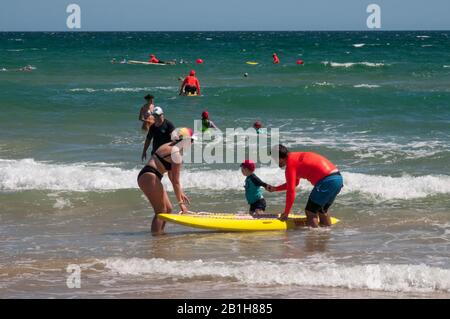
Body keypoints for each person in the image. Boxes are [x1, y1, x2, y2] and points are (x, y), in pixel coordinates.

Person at [266, 144, 343, 228]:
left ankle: (313, 237)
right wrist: (275, 189)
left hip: (326, 181)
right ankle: (325, 235)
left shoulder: (290, 165)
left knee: (310, 211)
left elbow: (291, 191)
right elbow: (295, 183)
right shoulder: (295, 157)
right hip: (337, 179)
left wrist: (286, 213)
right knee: (322, 210)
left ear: (279, 158)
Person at [137, 127, 196, 235]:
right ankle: (156, 239)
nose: (192, 144)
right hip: (149, 176)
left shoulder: (170, 146)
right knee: (160, 211)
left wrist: (181, 193)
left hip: (147, 176)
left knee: (168, 209)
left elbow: (171, 176)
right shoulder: (176, 153)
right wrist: (181, 204)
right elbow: (176, 181)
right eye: (192, 141)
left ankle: (160, 234)